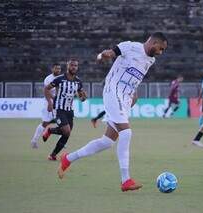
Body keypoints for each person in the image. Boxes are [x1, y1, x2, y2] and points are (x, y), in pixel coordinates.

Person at [57, 32, 168, 192]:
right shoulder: (130, 46)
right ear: (153, 43)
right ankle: (126, 180)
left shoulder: (151, 60)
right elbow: (111, 52)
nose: (160, 52)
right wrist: (103, 55)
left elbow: (136, 78)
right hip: (113, 90)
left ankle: (68, 158)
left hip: (125, 97)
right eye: (160, 48)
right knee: (127, 133)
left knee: (107, 142)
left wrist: (133, 94)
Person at [42, 59, 87, 160]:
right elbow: (46, 89)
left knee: (67, 134)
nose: (74, 67)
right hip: (58, 109)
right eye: (72, 65)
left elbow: (81, 97)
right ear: (67, 66)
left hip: (69, 110)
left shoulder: (78, 81)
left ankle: (52, 154)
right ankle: (50, 131)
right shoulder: (59, 79)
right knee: (66, 131)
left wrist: (83, 97)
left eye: (75, 66)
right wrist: (50, 102)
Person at [30, 63, 61, 148]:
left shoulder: (61, 78)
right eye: (56, 68)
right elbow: (47, 91)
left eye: (59, 69)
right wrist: (51, 102)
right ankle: (34, 140)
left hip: (58, 103)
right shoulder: (48, 79)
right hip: (49, 102)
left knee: (62, 122)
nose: (58, 70)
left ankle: (61, 141)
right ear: (52, 69)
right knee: (45, 123)